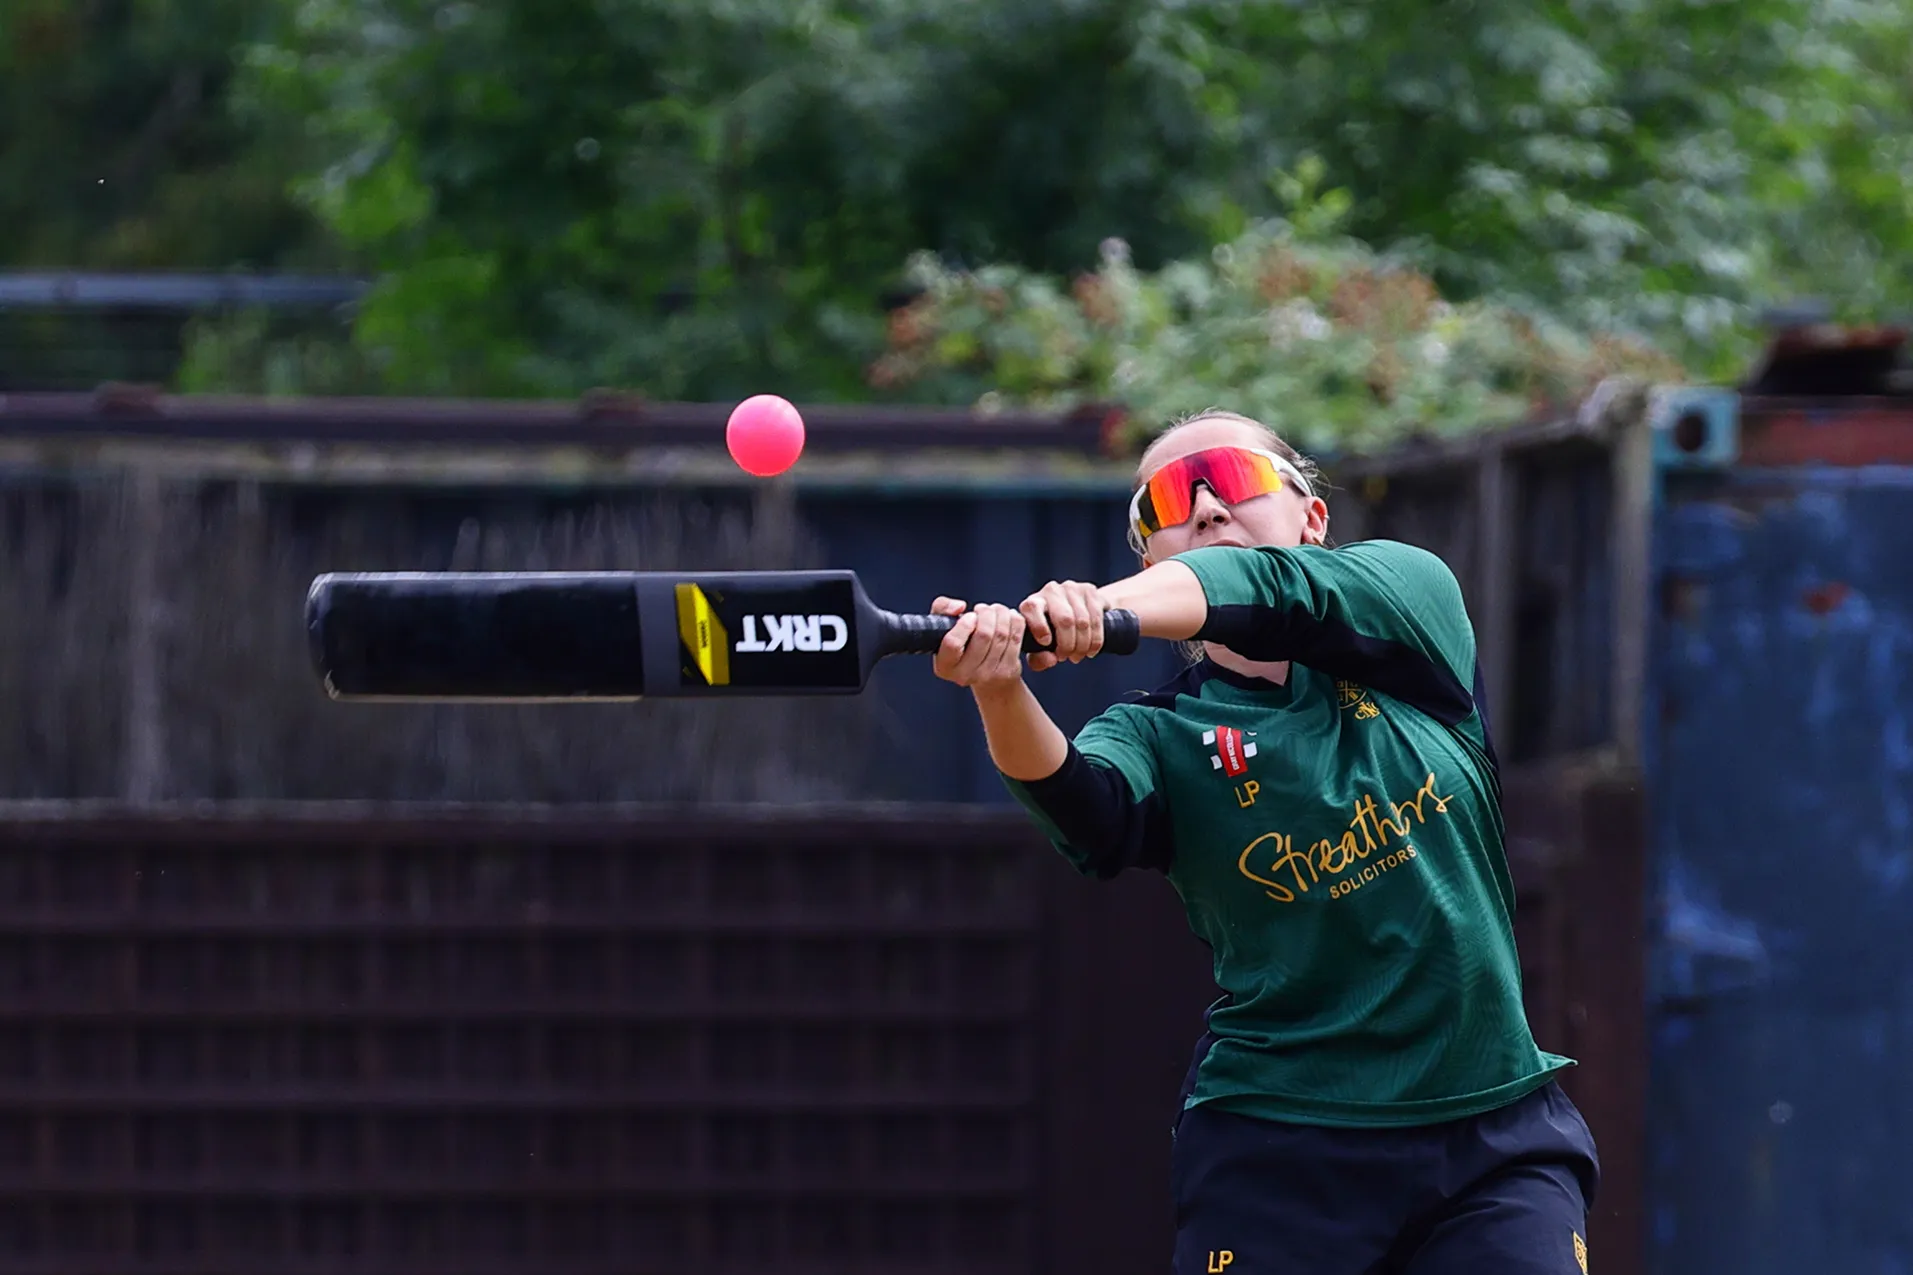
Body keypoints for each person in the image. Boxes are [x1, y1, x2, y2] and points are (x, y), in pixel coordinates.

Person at [929, 409, 1599, 1275]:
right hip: (1279, 1146)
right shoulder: (1156, 732)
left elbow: (1279, 593)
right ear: (1149, 557)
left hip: (1495, 1135)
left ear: (1312, 518)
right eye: (1169, 496)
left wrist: (1100, 608)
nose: (1207, 504)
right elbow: (1081, 809)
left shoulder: (1410, 605)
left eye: (1234, 477)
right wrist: (998, 687)